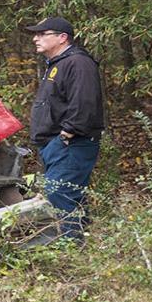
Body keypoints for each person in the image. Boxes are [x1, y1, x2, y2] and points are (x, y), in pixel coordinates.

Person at [24, 16, 106, 241]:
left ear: (62, 38)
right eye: (36, 34)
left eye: (42, 34)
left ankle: (72, 246)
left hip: (71, 143)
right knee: (70, 195)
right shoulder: (58, 64)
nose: (35, 38)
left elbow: (84, 102)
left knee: (60, 193)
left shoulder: (78, 63)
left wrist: (66, 134)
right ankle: (81, 242)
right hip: (55, 145)